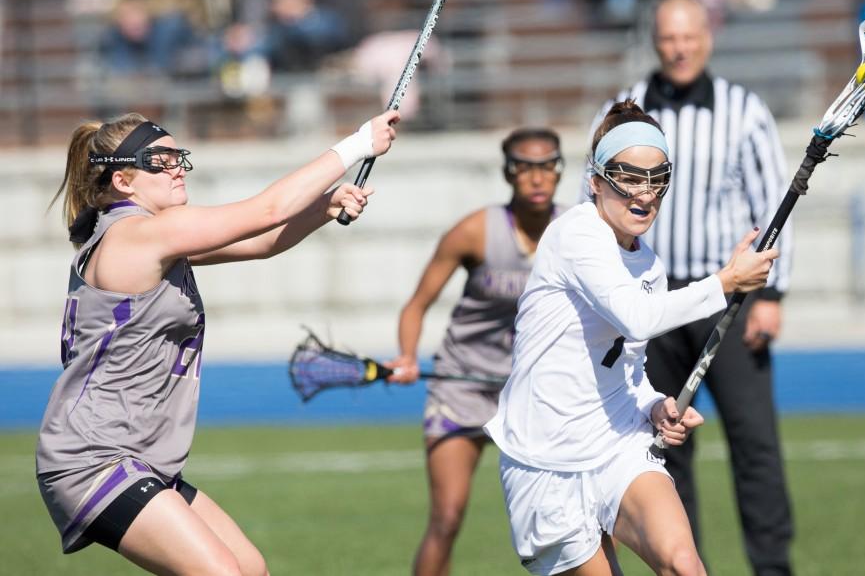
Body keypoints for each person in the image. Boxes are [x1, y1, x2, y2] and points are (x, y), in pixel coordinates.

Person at [36, 108, 399, 575]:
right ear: (124, 181)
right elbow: (265, 211)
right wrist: (357, 144)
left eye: (177, 157)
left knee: (251, 570)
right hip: (94, 458)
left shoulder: (156, 239)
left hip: (139, 457)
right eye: (161, 161)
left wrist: (323, 208)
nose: (177, 169)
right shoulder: (139, 234)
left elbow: (262, 240)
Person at [486, 99, 777, 575]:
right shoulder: (575, 235)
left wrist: (653, 405)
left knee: (685, 565)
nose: (644, 193)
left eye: (657, 177)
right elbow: (637, 318)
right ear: (596, 181)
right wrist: (725, 282)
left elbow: (628, 367)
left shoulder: (649, 264)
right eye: (629, 177)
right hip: (545, 461)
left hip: (616, 441)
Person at [584, 0, 793, 575]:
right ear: (655, 39)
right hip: (649, 302)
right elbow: (591, 197)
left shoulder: (743, 109)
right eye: (669, 37)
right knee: (665, 446)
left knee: (755, 444)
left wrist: (770, 296)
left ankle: (772, 568)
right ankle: (684, 564)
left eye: (689, 36)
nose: (679, 48)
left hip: (728, 299)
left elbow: (775, 206)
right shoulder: (626, 110)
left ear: (708, 35)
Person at [385, 127, 567, 576]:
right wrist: (407, 356)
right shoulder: (474, 232)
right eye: (525, 168)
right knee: (446, 518)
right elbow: (416, 306)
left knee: (574, 521)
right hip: (461, 387)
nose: (538, 178)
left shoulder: (576, 232)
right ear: (508, 173)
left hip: (532, 395)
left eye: (547, 166)